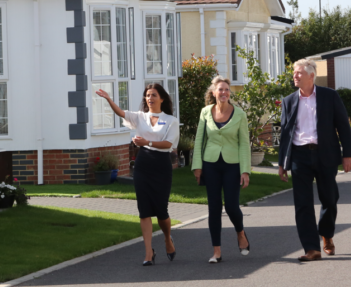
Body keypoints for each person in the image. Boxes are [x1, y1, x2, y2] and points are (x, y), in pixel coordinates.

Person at [278, 59, 351, 261]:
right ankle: (312, 248)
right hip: (299, 155)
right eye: (294, 72)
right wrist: (282, 164)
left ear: (311, 76)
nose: (295, 75)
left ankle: (327, 234)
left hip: (325, 154)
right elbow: (285, 134)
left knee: (330, 198)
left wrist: (348, 155)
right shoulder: (288, 101)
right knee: (302, 203)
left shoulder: (329, 96)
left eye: (299, 72)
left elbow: (343, 127)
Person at [96, 83, 179, 266]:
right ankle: (148, 252)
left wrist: (146, 141)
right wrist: (109, 99)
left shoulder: (170, 120)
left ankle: (167, 239)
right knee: (144, 211)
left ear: (162, 98)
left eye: (154, 95)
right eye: (147, 95)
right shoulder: (140, 117)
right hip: (143, 165)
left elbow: (168, 144)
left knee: (161, 211)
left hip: (161, 166)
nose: (150, 98)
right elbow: (121, 113)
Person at [192, 76, 251, 263]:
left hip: (232, 165)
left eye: (227, 89)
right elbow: (199, 140)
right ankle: (216, 251)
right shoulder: (205, 112)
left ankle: (240, 232)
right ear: (213, 92)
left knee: (232, 207)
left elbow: (244, 144)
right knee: (214, 207)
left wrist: (245, 170)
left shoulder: (240, 114)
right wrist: (197, 166)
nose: (224, 92)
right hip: (211, 164)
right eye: (220, 89)